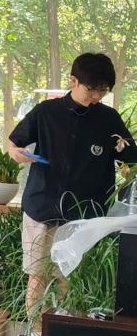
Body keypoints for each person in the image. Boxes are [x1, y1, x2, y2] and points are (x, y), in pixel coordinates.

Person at [7, 52, 137, 320]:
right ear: (73, 81)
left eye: (103, 91)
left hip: (84, 215)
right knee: (37, 276)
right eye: (92, 89)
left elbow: (131, 158)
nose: (96, 96)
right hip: (42, 207)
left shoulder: (109, 119)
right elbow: (14, 143)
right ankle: (35, 332)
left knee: (71, 279)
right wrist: (16, 153)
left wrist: (126, 162)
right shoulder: (45, 112)